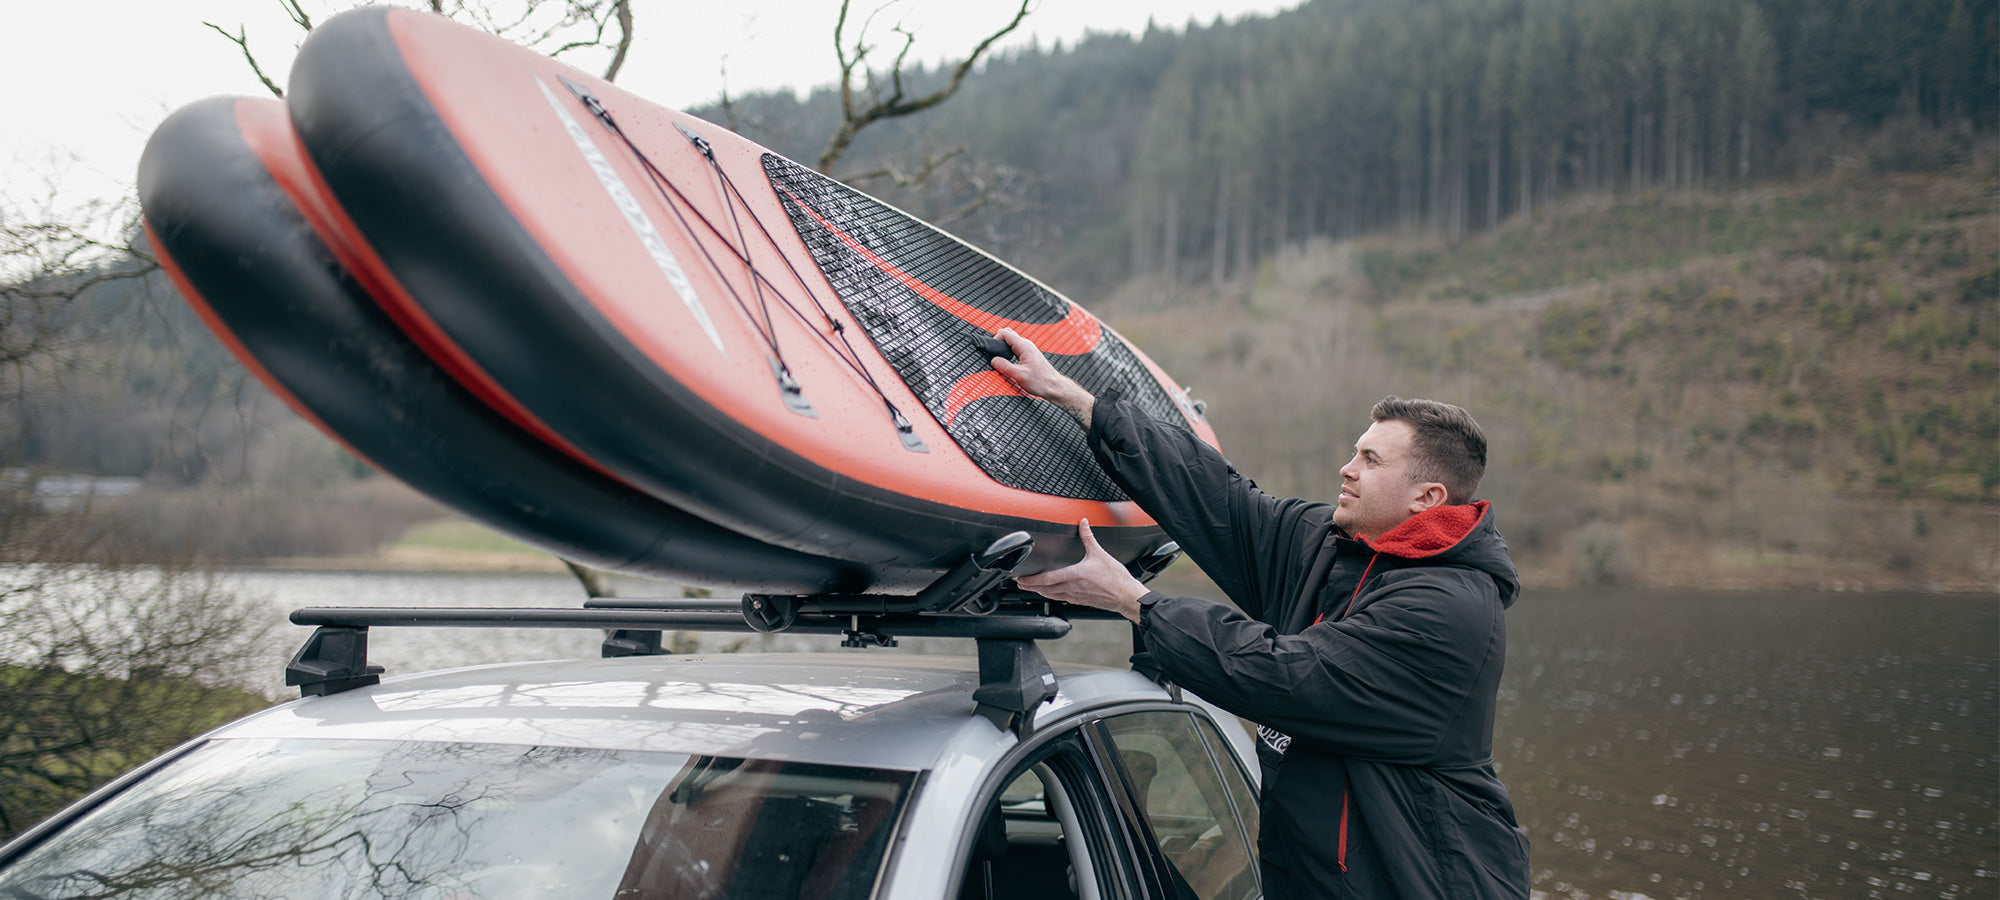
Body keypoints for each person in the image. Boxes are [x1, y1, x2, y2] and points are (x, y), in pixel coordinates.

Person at [988, 327, 1531, 900]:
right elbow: (1222, 501)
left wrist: (1135, 602)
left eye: (1370, 459)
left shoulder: (1449, 610)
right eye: (1355, 452)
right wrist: (1079, 402)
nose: (1346, 469)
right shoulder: (1339, 546)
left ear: (1427, 498)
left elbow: (1286, 675)